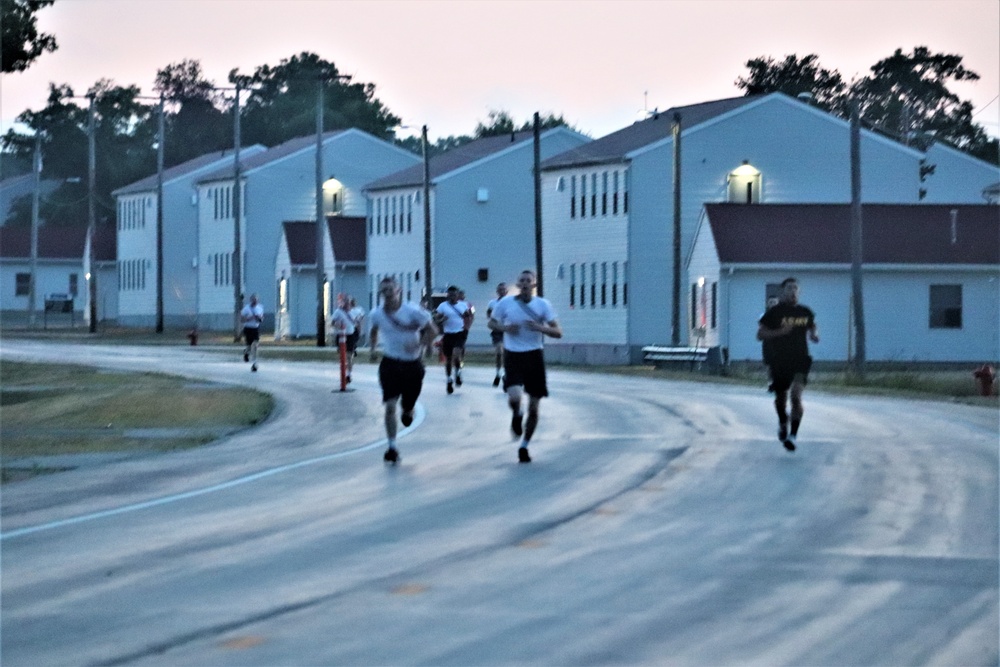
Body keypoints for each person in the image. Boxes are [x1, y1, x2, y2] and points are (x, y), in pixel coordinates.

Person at [488, 270, 562, 463]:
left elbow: (558, 332)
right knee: (514, 397)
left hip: (534, 356)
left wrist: (540, 328)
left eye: (529, 281)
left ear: (534, 285)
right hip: (513, 356)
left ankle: (524, 446)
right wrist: (505, 328)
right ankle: (516, 413)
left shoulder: (543, 305)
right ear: (518, 285)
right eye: (522, 281)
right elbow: (491, 323)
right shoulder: (506, 303)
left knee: (535, 408)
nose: (525, 284)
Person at [368, 276, 438, 464]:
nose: (388, 294)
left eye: (391, 289)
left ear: (399, 291)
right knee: (390, 406)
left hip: (412, 365)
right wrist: (373, 349)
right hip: (390, 364)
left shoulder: (413, 311)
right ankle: (392, 447)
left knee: (406, 410)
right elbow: (374, 330)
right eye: (384, 291)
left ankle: (408, 410)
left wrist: (422, 345)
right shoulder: (376, 314)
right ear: (381, 294)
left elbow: (433, 330)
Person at [757, 277, 820, 452]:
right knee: (780, 399)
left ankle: (793, 435)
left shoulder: (805, 312)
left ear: (799, 292)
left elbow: (813, 326)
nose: (793, 292)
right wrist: (780, 332)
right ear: (783, 292)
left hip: (800, 359)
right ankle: (783, 422)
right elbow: (760, 334)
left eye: (795, 289)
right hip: (780, 360)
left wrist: (814, 335)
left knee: (796, 396)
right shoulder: (775, 312)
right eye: (789, 289)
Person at [435, 285, 472, 394]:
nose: (452, 296)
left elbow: (468, 316)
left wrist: (466, 328)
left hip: (459, 334)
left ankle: (458, 373)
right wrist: (442, 319)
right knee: (448, 359)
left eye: (454, 294)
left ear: (457, 295)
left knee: (457, 354)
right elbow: (436, 319)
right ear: (447, 295)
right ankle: (449, 380)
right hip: (448, 335)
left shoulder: (463, 305)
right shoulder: (442, 306)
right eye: (450, 294)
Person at [486, 282, 509, 387]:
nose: (502, 291)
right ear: (497, 291)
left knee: (508, 354)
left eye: (503, 290)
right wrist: (494, 322)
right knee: (499, 352)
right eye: (500, 290)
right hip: (497, 331)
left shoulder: (511, 302)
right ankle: (498, 373)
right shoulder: (492, 303)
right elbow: (489, 315)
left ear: (507, 291)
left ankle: (505, 375)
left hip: (508, 331)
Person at [330, 295, 357, 383]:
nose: (348, 304)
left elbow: (356, 322)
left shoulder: (353, 312)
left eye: (349, 302)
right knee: (342, 356)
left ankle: (348, 375)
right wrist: (338, 325)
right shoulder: (338, 312)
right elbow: (332, 323)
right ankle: (343, 374)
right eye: (346, 302)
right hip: (341, 336)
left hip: (350, 335)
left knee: (349, 356)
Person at [241, 293, 264, 372]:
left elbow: (261, 319)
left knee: (255, 345)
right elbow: (242, 319)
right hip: (248, 328)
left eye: (256, 300)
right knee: (249, 347)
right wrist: (250, 318)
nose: (255, 302)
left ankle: (254, 364)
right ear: (251, 300)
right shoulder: (246, 309)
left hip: (256, 329)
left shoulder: (260, 308)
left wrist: (259, 318)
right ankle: (246, 352)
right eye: (254, 300)